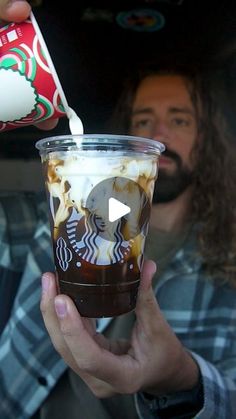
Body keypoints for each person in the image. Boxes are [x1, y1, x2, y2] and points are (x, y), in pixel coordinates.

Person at [0, 2, 236, 419]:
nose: (158, 132)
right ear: (128, 138)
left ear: (209, 142)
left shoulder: (228, 262)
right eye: (143, 120)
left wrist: (182, 378)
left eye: (179, 120)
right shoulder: (47, 221)